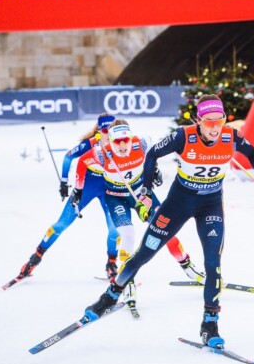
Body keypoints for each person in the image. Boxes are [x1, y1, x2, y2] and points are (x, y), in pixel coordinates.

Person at [80, 94, 254, 349]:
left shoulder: (230, 137)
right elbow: (152, 155)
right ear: (198, 120)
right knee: (145, 253)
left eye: (220, 121)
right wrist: (145, 192)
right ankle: (109, 298)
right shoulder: (183, 136)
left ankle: (210, 325)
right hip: (178, 203)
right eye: (209, 122)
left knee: (213, 263)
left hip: (210, 206)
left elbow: (253, 155)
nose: (215, 127)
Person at [13, 114, 202, 282]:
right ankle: (34, 259)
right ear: (100, 131)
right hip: (89, 186)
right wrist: (68, 184)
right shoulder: (93, 146)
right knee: (62, 224)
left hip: (112, 190)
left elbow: (146, 156)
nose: (108, 135)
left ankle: (112, 265)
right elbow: (71, 158)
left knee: (116, 231)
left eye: (110, 130)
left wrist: (153, 172)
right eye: (104, 131)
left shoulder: (128, 144)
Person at [71, 119, 203, 303]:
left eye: (126, 140)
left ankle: (187, 266)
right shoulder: (101, 153)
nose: (122, 146)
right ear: (110, 140)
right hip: (116, 197)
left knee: (165, 229)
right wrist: (78, 189)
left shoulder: (141, 143)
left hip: (141, 195)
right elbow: (81, 162)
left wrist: (154, 171)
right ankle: (127, 281)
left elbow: (153, 155)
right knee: (128, 234)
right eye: (117, 141)